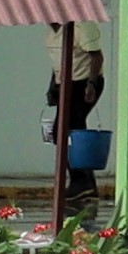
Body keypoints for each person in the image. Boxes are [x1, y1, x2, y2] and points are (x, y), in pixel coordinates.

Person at [49, 36, 109, 225]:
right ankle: (85, 183)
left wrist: (91, 84)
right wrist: (53, 87)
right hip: (65, 83)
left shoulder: (82, 24)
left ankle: (80, 181)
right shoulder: (52, 32)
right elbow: (58, 62)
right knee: (65, 130)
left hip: (83, 83)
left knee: (66, 129)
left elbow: (97, 57)